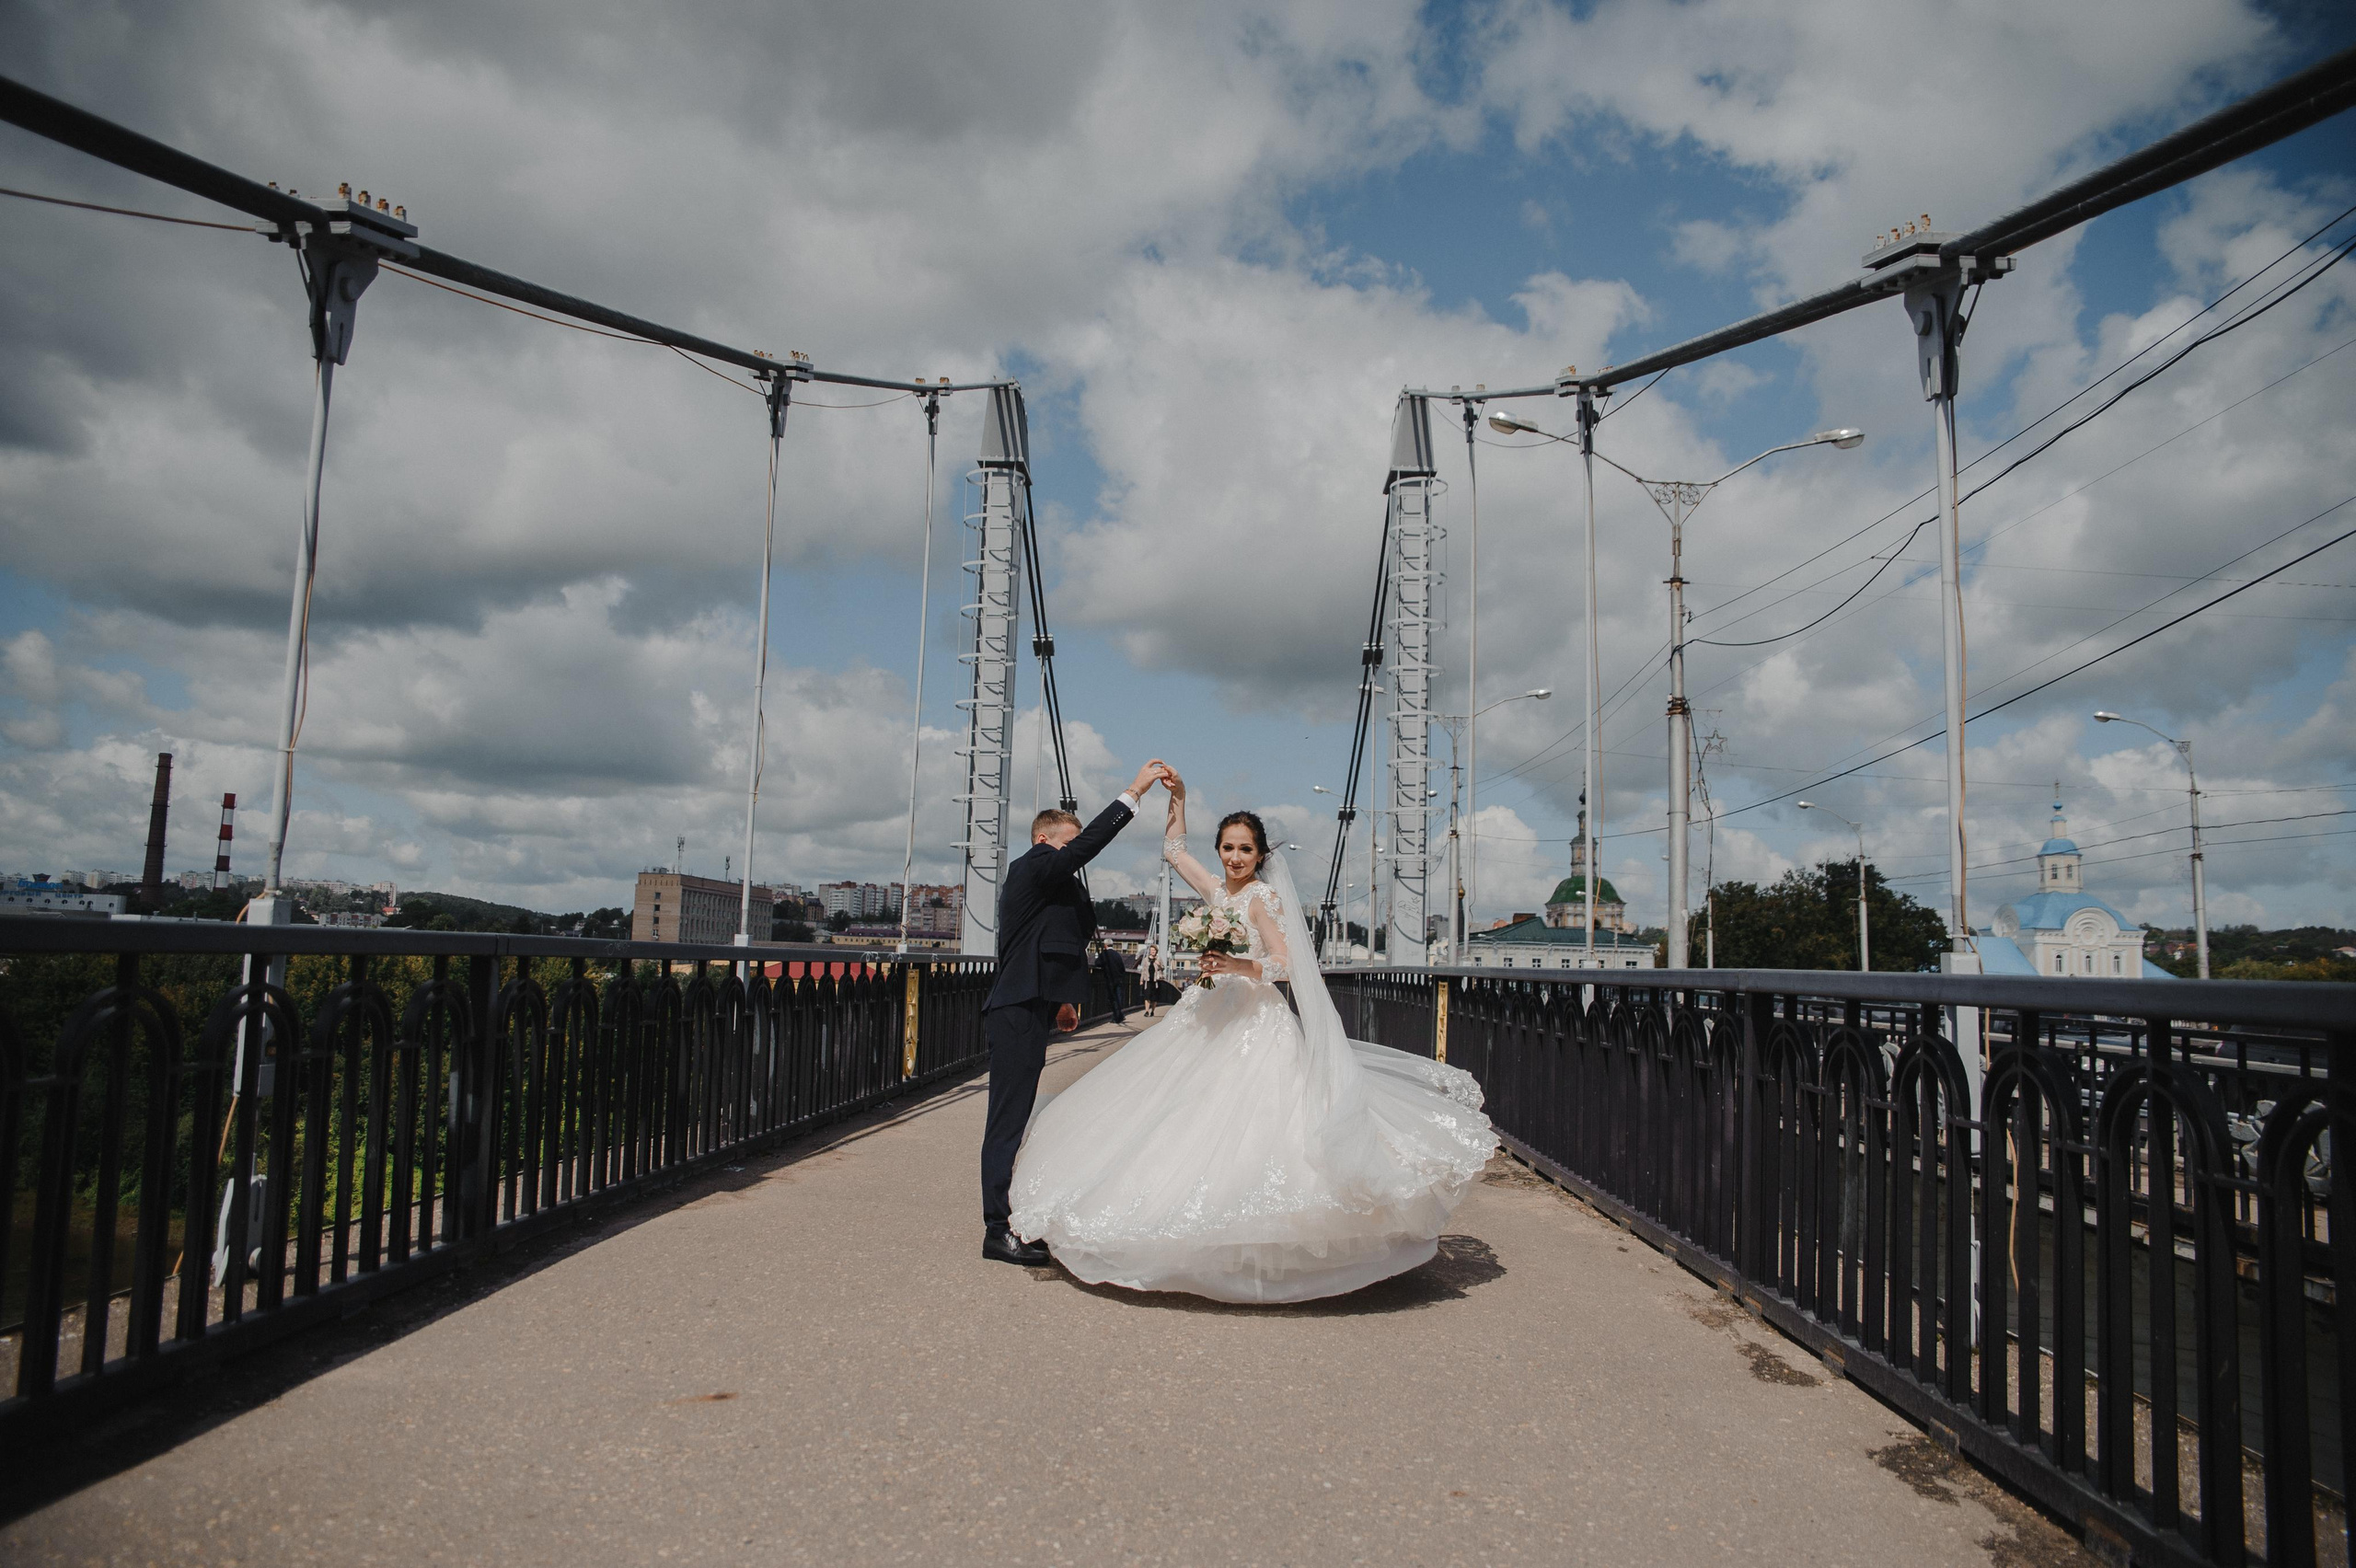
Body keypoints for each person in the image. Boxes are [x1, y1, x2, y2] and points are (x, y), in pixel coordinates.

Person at [1009, 763, 1496, 1302]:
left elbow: (1286, 962)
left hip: (1254, 1018)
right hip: (1209, 1012)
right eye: (1227, 848)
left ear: (1261, 855)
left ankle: (1256, 1236)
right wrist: (1179, 797)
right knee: (1180, 1117)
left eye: (1245, 849)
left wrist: (1239, 966)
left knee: (1256, 1125)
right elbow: (1174, 851)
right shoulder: (1218, 893)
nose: (1235, 857)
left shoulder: (1264, 899)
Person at [978, 758, 1166, 1267]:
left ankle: (1015, 1219)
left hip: (1034, 1006)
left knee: (1018, 1117)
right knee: (1007, 1121)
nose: (1074, 854)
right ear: (1044, 840)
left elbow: (1060, 938)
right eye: (1068, 844)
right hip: (1016, 1007)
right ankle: (997, 1230)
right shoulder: (1032, 866)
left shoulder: (1055, 886)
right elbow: (1087, 848)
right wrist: (1133, 793)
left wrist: (1064, 1000)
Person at [1093, 940, 1128, 1024]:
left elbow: (1097, 963)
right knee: (1118, 998)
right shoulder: (1117, 955)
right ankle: (1119, 1015)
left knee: (1111, 999)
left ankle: (1116, 1017)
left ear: (1105, 945)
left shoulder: (1104, 954)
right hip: (1118, 979)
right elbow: (1122, 968)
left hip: (1109, 979)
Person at [1138, 942, 1162, 1018]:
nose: (1153, 951)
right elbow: (1143, 970)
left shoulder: (1159, 959)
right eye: (1152, 950)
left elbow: (1163, 968)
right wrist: (1141, 980)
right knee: (1147, 996)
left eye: (1154, 950)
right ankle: (1147, 1011)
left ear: (1156, 951)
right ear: (1150, 951)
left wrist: (1159, 965)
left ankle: (1153, 1011)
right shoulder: (1146, 959)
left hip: (1156, 981)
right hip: (1148, 980)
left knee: (1154, 998)